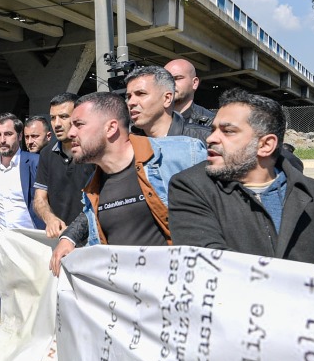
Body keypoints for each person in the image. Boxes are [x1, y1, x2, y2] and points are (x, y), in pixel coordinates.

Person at [169, 90, 314, 263]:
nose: (211, 139)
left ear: (266, 145)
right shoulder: (190, 187)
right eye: (213, 130)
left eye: (228, 131)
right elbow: (211, 265)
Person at [50, 91, 205, 274]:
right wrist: (69, 237)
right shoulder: (93, 186)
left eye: (79, 125)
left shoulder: (182, 154)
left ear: (111, 128)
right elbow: (90, 215)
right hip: (123, 297)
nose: (71, 132)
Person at [0, 112, 44, 301]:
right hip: (4, 250)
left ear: (20, 136)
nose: (2, 140)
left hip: (35, 248)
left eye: (8, 134)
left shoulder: (36, 163)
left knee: (37, 306)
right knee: (7, 307)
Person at [33, 91, 86, 237]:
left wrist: (74, 233)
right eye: (52, 118)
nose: (56, 124)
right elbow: (39, 198)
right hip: (58, 238)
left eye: (63, 117)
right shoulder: (46, 154)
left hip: (92, 239)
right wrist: (50, 219)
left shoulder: (92, 152)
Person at [125, 64, 211, 141]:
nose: (131, 102)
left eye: (141, 94)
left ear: (167, 99)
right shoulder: (126, 142)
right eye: (129, 96)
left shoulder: (203, 139)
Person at [164, 57, 215, 129]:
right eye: (166, 79)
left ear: (194, 83)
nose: (171, 83)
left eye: (178, 78)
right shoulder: (149, 120)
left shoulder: (211, 123)